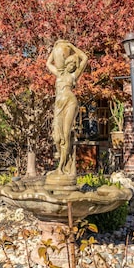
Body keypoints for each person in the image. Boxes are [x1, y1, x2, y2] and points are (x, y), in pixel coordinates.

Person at [46, 40, 88, 176]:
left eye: (73, 64)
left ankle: (62, 167)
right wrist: (54, 48)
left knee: (65, 134)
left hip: (70, 102)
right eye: (69, 63)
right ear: (65, 64)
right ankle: (65, 163)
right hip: (58, 104)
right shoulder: (59, 74)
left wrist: (72, 47)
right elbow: (48, 63)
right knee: (56, 137)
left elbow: (85, 58)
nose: (71, 66)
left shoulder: (73, 75)